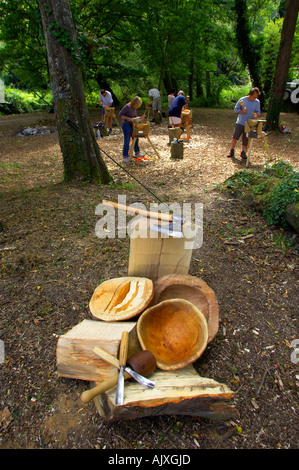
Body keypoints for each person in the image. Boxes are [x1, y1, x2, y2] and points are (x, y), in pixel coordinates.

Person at [227, 87, 261, 160]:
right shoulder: (242, 100)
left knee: (246, 139)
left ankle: (243, 152)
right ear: (250, 94)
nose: (255, 98)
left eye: (256, 97)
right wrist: (242, 111)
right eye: (254, 96)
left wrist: (256, 114)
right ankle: (232, 150)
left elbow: (258, 112)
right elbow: (236, 109)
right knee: (235, 137)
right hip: (240, 122)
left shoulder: (257, 102)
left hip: (249, 123)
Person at [118, 96, 146, 163]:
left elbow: (134, 117)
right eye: (137, 104)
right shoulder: (127, 107)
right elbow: (120, 115)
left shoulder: (133, 108)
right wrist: (128, 118)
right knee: (127, 140)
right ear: (134, 102)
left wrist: (140, 118)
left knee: (135, 138)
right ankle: (125, 156)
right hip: (126, 125)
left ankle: (137, 152)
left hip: (132, 125)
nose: (137, 106)